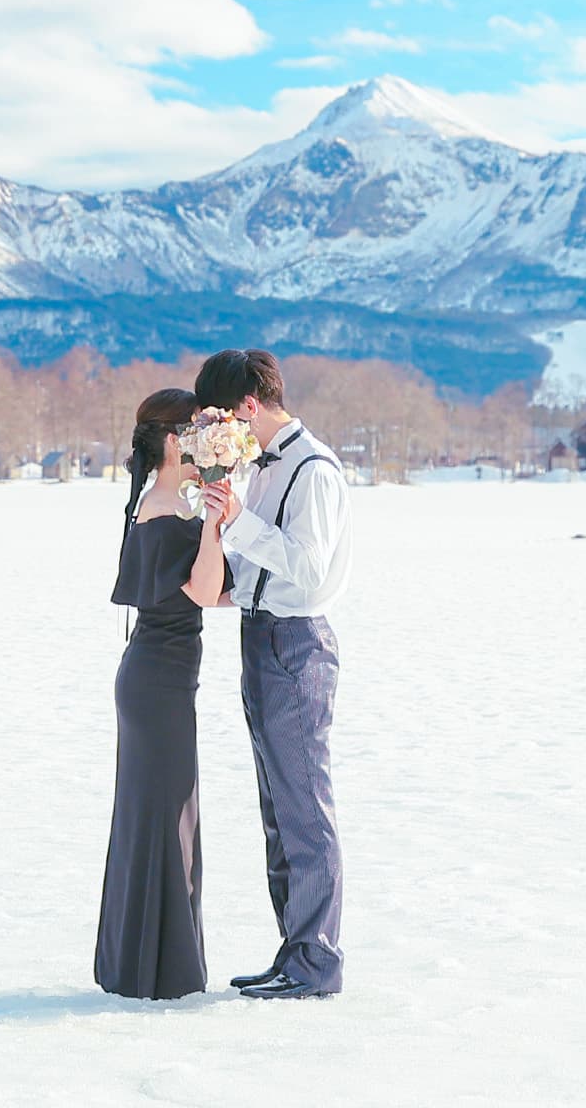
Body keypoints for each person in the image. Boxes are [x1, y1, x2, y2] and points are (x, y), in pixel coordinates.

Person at [195, 348, 352, 1000]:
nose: (214, 427)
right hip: (260, 635)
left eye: (218, 416)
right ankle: (295, 952)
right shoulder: (261, 465)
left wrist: (237, 521)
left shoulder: (312, 469)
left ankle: (316, 963)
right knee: (277, 812)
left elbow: (308, 570)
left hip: (295, 645)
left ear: (248, 408)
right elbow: (264, 562)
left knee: (303, 811)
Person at [94, 388, 237, 1001]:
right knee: (168, 818)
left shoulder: (156, 498)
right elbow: (205, 592)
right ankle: (160, 972)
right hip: (160, 682)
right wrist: (213, 523)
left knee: (154, 818)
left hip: (153, 675)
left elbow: (198, 594)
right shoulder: (174, 507)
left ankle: (139, 965)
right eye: (201, 429)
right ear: (178, 441)